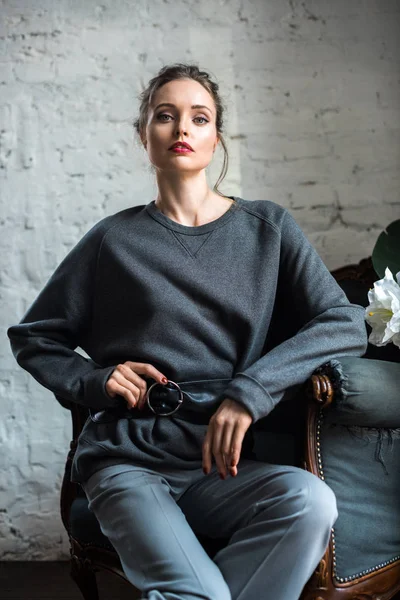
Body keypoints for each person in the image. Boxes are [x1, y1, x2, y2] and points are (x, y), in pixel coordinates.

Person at [7, 63, 368, 600]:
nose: (182, 129)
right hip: (127, 460)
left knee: (311, 502)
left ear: (216, 138)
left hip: (219, 464)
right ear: (143, 136)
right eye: (165, 116)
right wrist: (95, 379)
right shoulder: (113, 241)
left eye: (199, 118)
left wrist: (250, 393)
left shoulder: (267, 229)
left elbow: (343, 321)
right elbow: (34, 335)